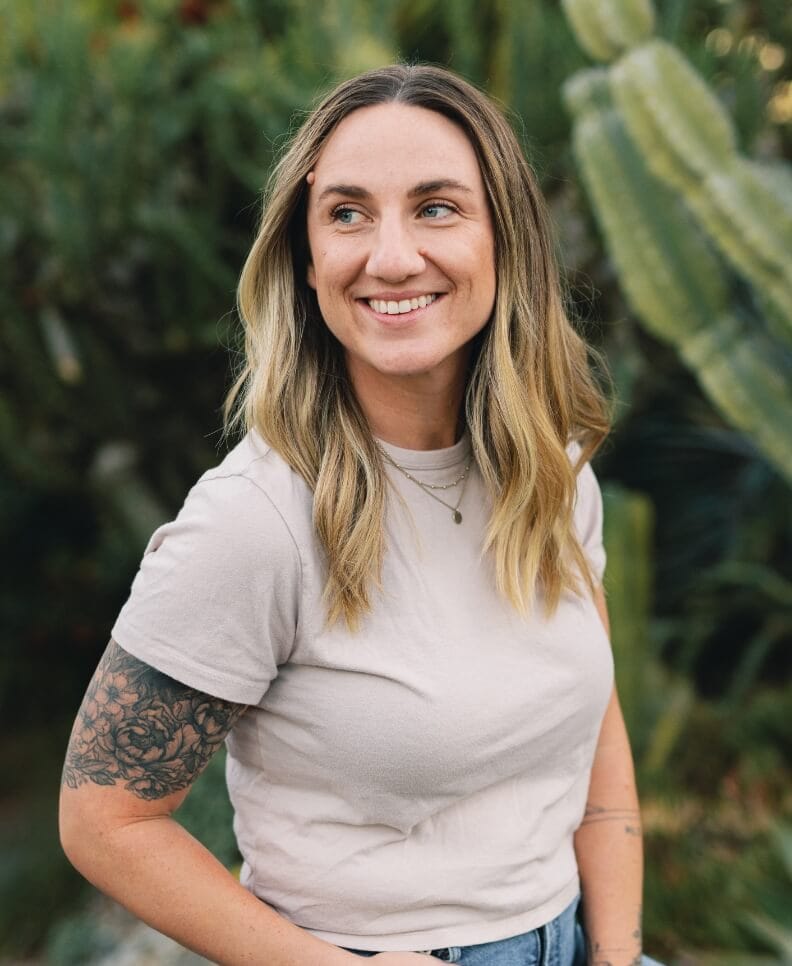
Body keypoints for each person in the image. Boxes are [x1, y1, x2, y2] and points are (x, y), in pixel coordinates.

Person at [60, 64, 657, 966]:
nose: (390, 256)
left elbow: (598, 749)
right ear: (306, 260)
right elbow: (102, 819)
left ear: (508, 240)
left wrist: (615, 954)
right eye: (346, 213)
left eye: (437, 207)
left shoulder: (555, 473)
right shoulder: (254, 521)